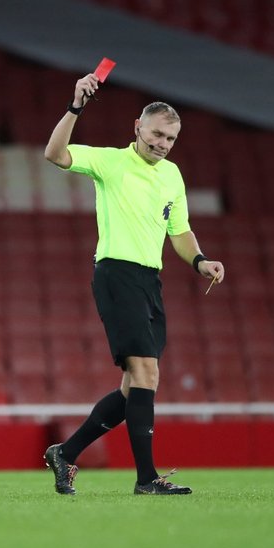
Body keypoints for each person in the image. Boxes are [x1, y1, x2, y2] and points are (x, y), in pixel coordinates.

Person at [41, 75, 225, 496]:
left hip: (149, 279)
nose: (163, 143)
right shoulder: (109, 162)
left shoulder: (173, 176)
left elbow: (179, 232)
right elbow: (54, 154)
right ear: (137, 127)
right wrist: (76, 107)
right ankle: (146, 479)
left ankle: (65, 454)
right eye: (158, 133)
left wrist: (199, 260)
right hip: (116, 273)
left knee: (134, 388)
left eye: (171, 138)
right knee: (147, 372)